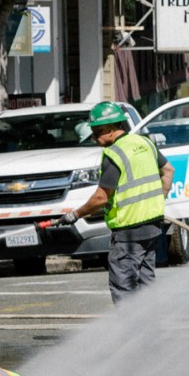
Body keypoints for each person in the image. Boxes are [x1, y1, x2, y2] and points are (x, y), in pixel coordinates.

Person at [71, 101, 171, 304]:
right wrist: (158, 197)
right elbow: (168, 171)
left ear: (109, 129)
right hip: (152, 227)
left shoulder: (114, 153)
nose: (94, 139)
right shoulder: (144, 143)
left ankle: (130, 333)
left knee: (124, 287)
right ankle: (150, 331)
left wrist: (76, 214)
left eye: (96, 133)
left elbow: (101, 197)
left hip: (128, 232)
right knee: (146, 284)